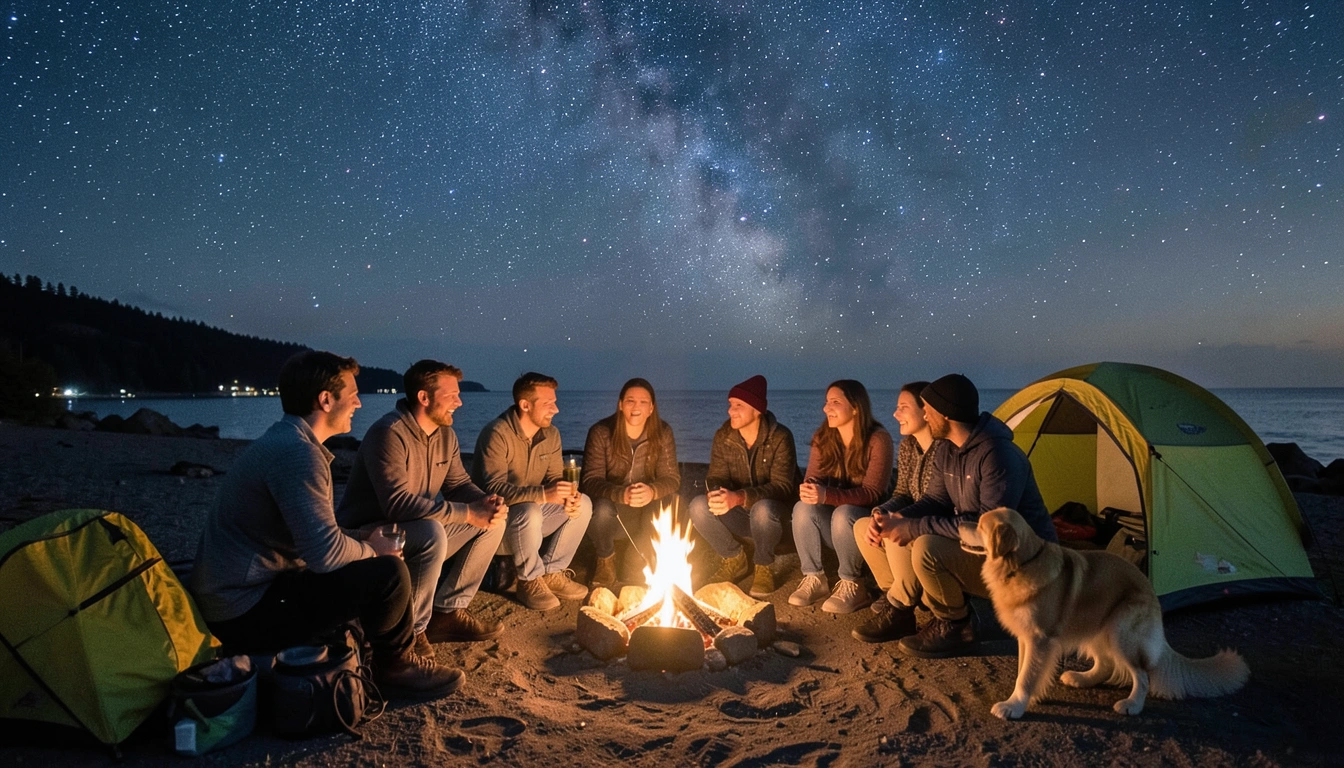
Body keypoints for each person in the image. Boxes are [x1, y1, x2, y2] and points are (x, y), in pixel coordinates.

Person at [189, 351, 463, 700]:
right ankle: (395, 665)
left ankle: (383, 646)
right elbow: (324, 555)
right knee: (388, 575)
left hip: (248, 592)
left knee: (375, 561)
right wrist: (374, 549)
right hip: (243, 611)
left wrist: (364, 537)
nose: (359, 404)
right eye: (352, 395)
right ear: (325, 399)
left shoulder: (289, 440)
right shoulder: (298, 455)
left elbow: (317, 536)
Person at [865, 373, 1056, 658]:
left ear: (946, 414)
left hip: (1022, 565)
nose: (925, 416)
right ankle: (911, 610)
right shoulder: (947, 449)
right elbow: (935, 499)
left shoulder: (998, 455)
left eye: (928, 410)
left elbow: (986, 530)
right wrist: (893, 518)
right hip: (984, 552)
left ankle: (957, 626)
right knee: (911, 535)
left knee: (927, 546)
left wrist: (914, 527)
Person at [336, 360, 508, 655]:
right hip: (370, 535)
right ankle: (410, 632)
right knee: (431, 532)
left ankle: (447, 613)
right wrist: (468, 513)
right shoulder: (388, 433)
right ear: (424, 398)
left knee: (493, 521)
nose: (460, 401)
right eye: (451, 395)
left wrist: (485, 502)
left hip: (412, 530)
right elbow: (397, 504)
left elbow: (457, 484)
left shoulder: (445, 435)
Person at [471, 372, 593, 611]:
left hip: (531, 524)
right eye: (548, 404)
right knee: (529, 510)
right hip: (495, 525)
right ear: (525, 405)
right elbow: (493, 489)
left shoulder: (551, 434)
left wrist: (569, 498)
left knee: (585, 503)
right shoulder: (496, 434)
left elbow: (555, 480)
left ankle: (552, 573)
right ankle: (529, 580)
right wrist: (545, 495)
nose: (555, 409)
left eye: (555, 403)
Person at [850, 381, 947, 643]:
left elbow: (938, 502)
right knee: (862, 526)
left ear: (926, 411)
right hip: (912, 519)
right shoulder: (908, 447)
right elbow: (902, 493)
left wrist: (899, 519)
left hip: (933, 529)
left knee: (894, 532)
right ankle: (892, 595)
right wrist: (882, 511)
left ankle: (903, 605)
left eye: (903, 407)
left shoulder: (945, 450)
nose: (895, 414)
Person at [687, 375, 799, 597]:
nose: (731, 411)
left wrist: (739, 497)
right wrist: (716, 494)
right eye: (730, 404)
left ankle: (763, 565)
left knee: (763, 509)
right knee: (698, 506)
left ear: (757, 410)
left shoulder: (780, 437)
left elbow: (783, 487)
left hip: (777, 521)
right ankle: (734, 557)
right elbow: (715, 475)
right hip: (740, 516)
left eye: (739, 405)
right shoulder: (724, 436)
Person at [789, 380, 893, 613]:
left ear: (856, 407)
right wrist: (811, 488)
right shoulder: (823, 437)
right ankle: (815, 578)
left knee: (843, 512)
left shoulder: (878, 439)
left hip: (866, 529)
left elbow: (872, 493)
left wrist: (827, 495)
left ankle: (853, 583)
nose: (827, 408)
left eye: (835, 402)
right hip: (835, 527)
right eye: (826, 402)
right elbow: (813, 478)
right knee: (802, 508)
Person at [581, 378, 681, 587]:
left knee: (671, 502)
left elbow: (672, 479)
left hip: (645, 509)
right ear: (620, 404)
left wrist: (652, 491)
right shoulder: (601, 432)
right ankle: (605, 560)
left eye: (643, 402)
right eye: (630, 401)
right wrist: (621, 494)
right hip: (611, 512)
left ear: (651, 408)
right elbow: (590, 480)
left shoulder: (662, 432)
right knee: (599, 509)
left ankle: (636, 563)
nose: (636, 407)